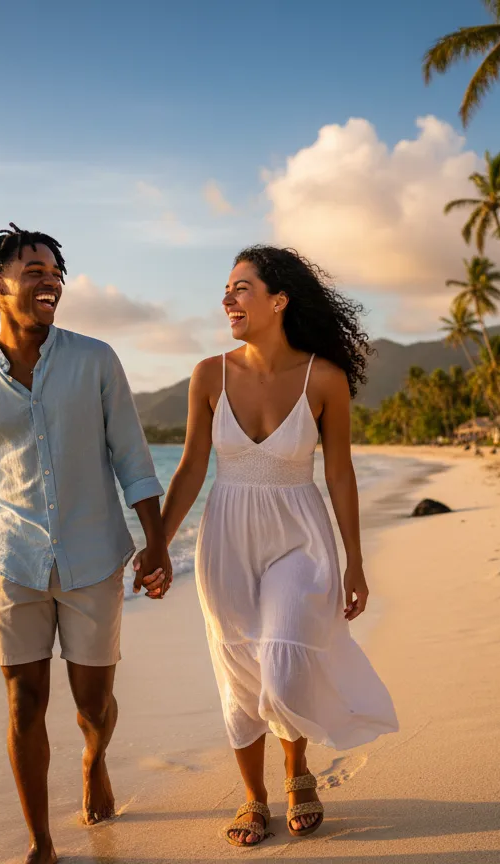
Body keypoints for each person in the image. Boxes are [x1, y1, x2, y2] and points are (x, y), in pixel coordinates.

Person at [0, 223, 172, 864]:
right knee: (24, 703)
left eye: (55, 272)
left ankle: (95, 759)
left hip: (95, 557)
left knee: (93, 705)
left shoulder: (96, 359)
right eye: (34, 271)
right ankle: (41, 842)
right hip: (13, 561)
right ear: (0, 285)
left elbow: (132, 456)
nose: (50, 282)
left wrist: (155, 544)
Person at [156, 245, 397, 847]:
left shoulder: (326, 379)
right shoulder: (209, 374)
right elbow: (190, 467)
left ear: (278, 300)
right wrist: (157, 542)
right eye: (227, 289)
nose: (227, 299)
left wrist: (356, 563)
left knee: (285, 664)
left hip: (300, 534)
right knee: (238, 665)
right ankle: (253, 797)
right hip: (226, 534)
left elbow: (340, 474)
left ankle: (298, 770)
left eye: (241, 288)